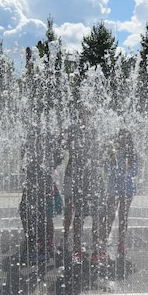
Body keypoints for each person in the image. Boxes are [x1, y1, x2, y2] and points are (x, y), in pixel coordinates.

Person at [61, 110, 107, 263]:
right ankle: (77, 249)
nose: (85, 118)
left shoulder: (93, 132)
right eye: (83, 115)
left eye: (88, 115)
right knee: (78, 216)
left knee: (96, 217)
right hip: (79, 180)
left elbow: (100, 155)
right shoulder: (73, 131)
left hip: (92, 180)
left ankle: (96, 250)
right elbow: (66, 147)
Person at [19, 124, 62, 263]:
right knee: (26, 209)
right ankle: (36, 243)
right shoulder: (32, 133)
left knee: (38, 211)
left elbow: (58, 156)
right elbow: (24, 152)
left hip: (41, 178)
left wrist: (48, 172)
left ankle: (41, 247)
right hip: (33, 176)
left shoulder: (45, 134)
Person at [104, 128, 139, 255]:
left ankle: (121, 243)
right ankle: (105, 239)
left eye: (126, 138)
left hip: (127, 188)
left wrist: (125, 170)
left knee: (123, 217)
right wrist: (118, 165)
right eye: (121, 137)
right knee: (110, 214)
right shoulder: (113, 152)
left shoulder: (132, 154)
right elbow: (107, 169)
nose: (123, 140)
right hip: (113, 187)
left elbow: (135, 171)